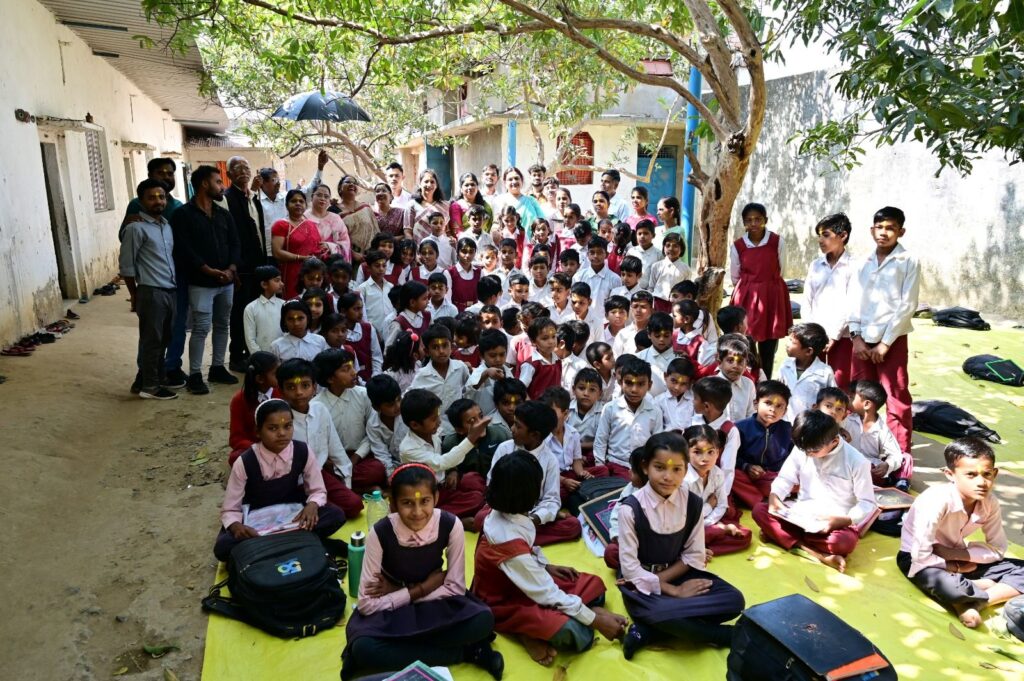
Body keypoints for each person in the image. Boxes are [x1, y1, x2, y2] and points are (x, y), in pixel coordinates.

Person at [342, 463, 502, 681]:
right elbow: (367, 604)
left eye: (425, 501)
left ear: (436, 498)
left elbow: (454, 588)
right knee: (364, 648)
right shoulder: (380, 533)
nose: (417, 512)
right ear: (393, 504)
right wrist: (419, 589)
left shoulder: (450, 524)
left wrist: (398, 593)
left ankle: (402, 650)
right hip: (394, 613)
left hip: (435, 603)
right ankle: (467, 652)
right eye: (407, 503)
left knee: (483, 620)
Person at [473, 451, 626, 666]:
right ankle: (523, 632)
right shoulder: (506, 539)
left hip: (526, 579)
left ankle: (579, 611)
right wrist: (597, 622)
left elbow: (527, 548)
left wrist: (547, 567)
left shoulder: (508, 511)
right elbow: (546, 593)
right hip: (504, 600)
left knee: (596, 588)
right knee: (576, 633)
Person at [618, 431, 746, 659]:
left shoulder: (692, 503)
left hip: (679, 573)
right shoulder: (631, 509)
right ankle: (723, 635)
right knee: (660, 609)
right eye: (660, 467)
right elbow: (630, 570)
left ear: (686, 470)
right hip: (642, 583)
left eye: (677, 469)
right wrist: (674, 591)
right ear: (645, 467)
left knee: (734, 600)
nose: (668, 477)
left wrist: (675, 584)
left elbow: (694, 554)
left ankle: (649, 630)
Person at [898, 437, 1024, 628]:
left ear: (995, 473)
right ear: (950, 474)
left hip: (959, 557)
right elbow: (920, 556)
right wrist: (953, 567)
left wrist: (957, 555)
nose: (982, 482)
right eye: (971, 475)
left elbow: (998, 549)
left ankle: (977, 601)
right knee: (948, 586)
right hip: (920, 560)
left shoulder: (990, 503)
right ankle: (971, 592)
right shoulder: (936, 500)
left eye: (987, 474)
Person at [214, 398, 348, 561]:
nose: (282, 433)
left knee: (335, 515)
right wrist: (236, 526)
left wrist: (312, 505)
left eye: (288, 426)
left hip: (293, 515)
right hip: (257, 520)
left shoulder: (302, 451)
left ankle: (268, 547)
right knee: (223, 547)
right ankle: (304, 542)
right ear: (258, 431)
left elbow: (317, 490)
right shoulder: (245, 461)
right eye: (272, 428)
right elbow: (230, 509)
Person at [752, 410, 877, 573]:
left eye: (814, 451)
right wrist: (775, 496)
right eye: (804, 450)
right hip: (800, 515)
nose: (808, 454)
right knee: (759, 510)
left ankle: (782, 536)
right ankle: (818, 554)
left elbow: (867, 502)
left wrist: (845, 520)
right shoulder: (804, 448)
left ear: (834, 441)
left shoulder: (857, 461)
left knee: (843, 542)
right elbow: (785, 478)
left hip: (833, 523)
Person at [848, 206, 920, 460]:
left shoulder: (908, 261)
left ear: (901, 232)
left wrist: (886, 343)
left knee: (895, 396)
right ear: (872, 230)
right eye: (879, 227)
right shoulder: (863, 262)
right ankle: (857, 452)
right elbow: (853, 300)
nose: (884, 233)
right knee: (859, 396)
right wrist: (855, 337)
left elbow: (907, 305)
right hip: (862, 340)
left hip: (892, 340)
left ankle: (899, 458)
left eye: (890, 228)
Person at [171, 165, 241, 395]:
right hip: (201, 283)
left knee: (222, 324)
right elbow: (184, 249)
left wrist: (231, 269)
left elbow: (235, 243)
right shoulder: (183, 215)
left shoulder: (223, 214)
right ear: (204, 184)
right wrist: (208, 270)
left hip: (226, 282)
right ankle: (195, 375)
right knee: (201, 328)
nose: (222, 186)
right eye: (218, 182)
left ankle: (217, 367)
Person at [120, 179, 179, 400]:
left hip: (170, 290)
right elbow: (127, 266)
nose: (158, 201)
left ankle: (151, 379)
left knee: (164, 339)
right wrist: (134, 294)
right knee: (151, 340)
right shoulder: (135, 228)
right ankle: (150, 387)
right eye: (151, 197)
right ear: (141, 201)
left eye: (161, 197)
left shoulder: (166, 226)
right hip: (151, 291)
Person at [399, 389, 492, 525]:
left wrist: (452, 471)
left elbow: (444, 460)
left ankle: (444, 518)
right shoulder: (408, 449)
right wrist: (472, 438)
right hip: (423, 496)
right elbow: (442, 462)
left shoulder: (433, 434)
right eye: (433, 419)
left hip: (442, 489)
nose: (439, 422)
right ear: (415, 425)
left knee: (475, 493)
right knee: (420, 511)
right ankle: (447, 520)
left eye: (438, 416)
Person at [729, 202, 791, 379]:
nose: (753, 223)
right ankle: (748, 380)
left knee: (769, 345)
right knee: (746, 341)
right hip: (746, 296)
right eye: (749, 220)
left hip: (771, 296)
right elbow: (735, 274)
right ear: (744, 223)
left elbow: (782, 268)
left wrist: (767, 284)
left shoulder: (777, 242)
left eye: (758, 219)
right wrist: (748, 287)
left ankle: (766, 382)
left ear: (766, 220)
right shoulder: (738, 246)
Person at [313, 348, 388, 493]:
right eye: (345, 369)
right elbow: (317, 443)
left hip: (360, 457)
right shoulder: (317, 406)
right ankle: (361, 489)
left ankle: (344, 488)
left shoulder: (364, 395)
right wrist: (331, 463)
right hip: (332, 462)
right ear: (330, 379)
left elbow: (372, 432)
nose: (354, 372)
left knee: (377, 470)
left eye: (352, 367)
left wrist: (354, 458)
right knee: (321, 473)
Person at [222, 157, 268, 373]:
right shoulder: (227, 199)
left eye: (246, 167)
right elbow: (229, 236)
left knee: (254, 311)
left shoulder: (252, 198)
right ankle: (236, 355)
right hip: (241, 266)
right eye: (237, 168)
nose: (243, 171)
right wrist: (234, 266)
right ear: (229, 174)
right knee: (239, 312)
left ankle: (251, 352)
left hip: (257, 264)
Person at [683, 425, 752, 557]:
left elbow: (722, 505)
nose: (705, 458)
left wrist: (711, 523)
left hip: (706, 522)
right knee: (686, 536)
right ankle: (695, 547)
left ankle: (699, 545)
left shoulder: (718, 474)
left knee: (745, 535)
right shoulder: (683, 480)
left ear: (718, 453)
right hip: (684, 527)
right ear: (686, 453)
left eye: (710, 452)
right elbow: (686, 519)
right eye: (697, 452)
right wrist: (709, 507)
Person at [804, 213, 855, 388]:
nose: (820, 240)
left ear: (843, 236)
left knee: (839, 383)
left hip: (842, 336)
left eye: (826, 235)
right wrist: (809, 331)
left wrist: (833, 335)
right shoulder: (815, 265)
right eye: (819, 236)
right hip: (814, 335)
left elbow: (851, 304)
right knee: (812, 380)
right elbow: (807, 299)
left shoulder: (854, 266)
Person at [594, 357, 664, 480]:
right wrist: (600, 466)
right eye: (629, 383)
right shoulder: (610, 408)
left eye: (640, 384)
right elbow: (601, 440)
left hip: (643, 468)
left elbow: (657, 445)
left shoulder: (655, 412)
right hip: (615, 465)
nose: (634, 390)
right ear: (621, 382)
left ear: (649, 385)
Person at [732, 380, 794, 508]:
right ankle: (762, 502)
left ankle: (758, 497)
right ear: (756, 404)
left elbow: (794, 459)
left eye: (779, 406)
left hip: (774, 477)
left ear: (785, 411)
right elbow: (731, 457)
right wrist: (747, 466)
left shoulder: (788, 430)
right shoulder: (740, 428)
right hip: (748, 476)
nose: (773, 409)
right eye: (768, 403)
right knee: (731, 475)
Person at [540, 387, 608, 501]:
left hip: (570, 473)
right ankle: (578, 491)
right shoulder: (542, 437)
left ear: (565, 413)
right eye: (544, 413)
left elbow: (576, 460)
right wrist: (564, 481)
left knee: (603, 470)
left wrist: (582, 472)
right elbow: (543, 470)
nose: (547, 417)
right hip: (552, 478)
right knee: (553, 491)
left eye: (551, 413)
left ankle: (577, 490)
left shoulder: (573, 433)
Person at [409, 325, 471, 436]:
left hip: (458, 426)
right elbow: (411, 398)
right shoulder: (422, 375)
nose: (441, 351)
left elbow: (469, 389)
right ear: (427, 351)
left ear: (452, 347)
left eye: (445, 345)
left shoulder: (460, 368)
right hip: (435, 431)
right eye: (435, 347)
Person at [691, 376, 740, 500]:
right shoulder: (693, 421)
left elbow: (727, 468)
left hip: (714, 483)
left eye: (695, 398)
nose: (692, 401)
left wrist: (720, 496)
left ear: (706, 406)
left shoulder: (730, 431)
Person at [849, 380, 905, 487]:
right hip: (848, 463)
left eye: (852, 398)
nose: (848, 400)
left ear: (866, 404)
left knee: (906, 458)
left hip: (870, 468)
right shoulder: (846, 421)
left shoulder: (882, 429)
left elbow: (896, 455)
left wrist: (887, 465)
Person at [228, 351, 280, 463]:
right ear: (260, 379)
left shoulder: (282, 393)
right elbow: (236, 438)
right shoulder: (239, 400)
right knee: (236, 458)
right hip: (255, 448)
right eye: (275, 374)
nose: (280, 377)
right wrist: (260, 450)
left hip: (281, 444)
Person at [256, 150, 328, 231]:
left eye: (278, 180)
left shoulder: (286, 197)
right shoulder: (256, 202)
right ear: (262, 183)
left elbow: (308, 191)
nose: (278, 183)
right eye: (274, 180)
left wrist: (320, 168)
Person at [778, 322, 837, 421]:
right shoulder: (785, 365)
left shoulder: (825, 372)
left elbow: (833, 399)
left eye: (792, 342)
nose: (787, 344)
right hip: (784, 421)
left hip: (810, 424)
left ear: (809, 351)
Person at [270, 189, 320, 299]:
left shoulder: (311, 225)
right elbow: (277, 253)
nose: (298, 203)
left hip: (312, 272)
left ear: (306, 205)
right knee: (293, 303)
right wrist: (301, 258)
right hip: (291, 272)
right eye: (293, 201)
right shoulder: (281, 225)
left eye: (301, 201)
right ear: (287, 205)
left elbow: (317, 246)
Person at [337, 293, 383, 384]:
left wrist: (375, 377)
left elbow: (377, 357)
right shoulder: (339, 334)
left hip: (371, 379)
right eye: (356, 309)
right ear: (343, 311)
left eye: (361, 308)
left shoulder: (368, 328)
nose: (361, 313)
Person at [491, 167, 546, 239]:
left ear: (521, 181)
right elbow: (496, 224)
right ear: (505, 183)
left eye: (516, 178)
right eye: (510, 179)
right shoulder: (499, 200)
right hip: (506, 243)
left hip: (530, 243)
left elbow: (542, 222)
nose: (514, 181)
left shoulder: (531, 201)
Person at [355, 249, 397, 342]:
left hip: (390, 332)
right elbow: (361, 314)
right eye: (377, 266)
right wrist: (371, 330)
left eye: (384, 266)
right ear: (369, 268)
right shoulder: (362, 289)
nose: (381, 269)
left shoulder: (391, 287)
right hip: (372, 333)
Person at [242, 265, 284, 355]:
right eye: (277, 280)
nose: (282, 284)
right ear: (264, 284)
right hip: (261, 357)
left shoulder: (283, 305)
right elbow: (250, 339)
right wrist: (259, 357)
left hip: (283, 354)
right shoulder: (251, 308)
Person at [648, 231, 691, 314]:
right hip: (658, 303)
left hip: (676, 304)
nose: (671, 248)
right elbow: (651, 287)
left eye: (675, 246)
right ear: (663, 248)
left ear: (681, 249)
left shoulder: (686, 269)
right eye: (668, 245)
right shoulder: (656, 266)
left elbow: (686, 290)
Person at [305, 183, 352, 260]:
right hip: (308, 261)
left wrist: (330, 246)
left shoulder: (336, 219)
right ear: (312, 197)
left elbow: (345, 243)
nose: (322, 198)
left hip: (332, 263)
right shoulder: (303, 217)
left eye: (326, 196)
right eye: (319, 195)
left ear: (329, 200)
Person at [404, 169, 450, 243]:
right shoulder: (412, 205)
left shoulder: (445, 205)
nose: (429, 185)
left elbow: (447, 230)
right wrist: (412, 247)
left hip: (441, 246)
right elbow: (407, 231)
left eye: (432, 182)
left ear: (436, 185)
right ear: (420, 184)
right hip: (419, 246)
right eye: (426, 181)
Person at [655, 357, 697, 432]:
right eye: (674, 381)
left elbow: (697, 423)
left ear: (690, 383)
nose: (677, 387)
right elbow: (657, 427)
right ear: (665, 376)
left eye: (683, 384)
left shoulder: (694, 400)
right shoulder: (659, 401)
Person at [385, 282, 432, 347]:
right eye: (424, 299)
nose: (428, 301)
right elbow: (388, 348)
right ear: (412, 302)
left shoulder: (427, 316)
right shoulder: (399, 323)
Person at [382, 329, 423, 393]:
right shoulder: (391, 376)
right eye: (421, 346)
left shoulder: (418, 365)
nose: (424, 348)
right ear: (415, 355)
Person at [449, 237, 481, 312]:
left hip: (476, 311)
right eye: (464, 251)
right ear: (457, 252)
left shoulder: (479, 272)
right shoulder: (450, 272)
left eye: (471, 252)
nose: (467, 255)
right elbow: (447, 298)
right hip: (456, 311)